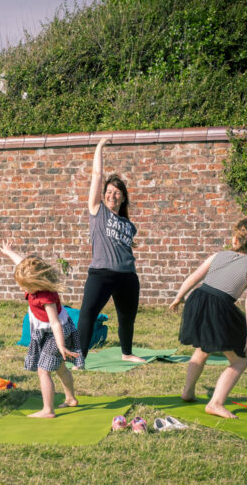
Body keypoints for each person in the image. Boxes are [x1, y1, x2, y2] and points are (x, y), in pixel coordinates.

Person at [169, 217, 247, 418]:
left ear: (236, 240)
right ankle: (216, 403)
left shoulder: (218, 255)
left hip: (198, 299)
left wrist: (179, 297)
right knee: (240, 362)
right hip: (217, 307)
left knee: (202, 349)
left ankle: (188, 391)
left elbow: (195, 276)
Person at [0, 241, 83, 417]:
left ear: (37, 283)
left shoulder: (46, 297)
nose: (22, 289)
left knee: (43, 370)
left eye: (25, 286)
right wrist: (10, 252)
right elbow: (22, 264)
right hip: (47, 332)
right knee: (59, 367)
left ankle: (48, 410)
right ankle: (70, 399)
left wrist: (61, 346)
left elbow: (55, 323)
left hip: (57, 334)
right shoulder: (32, 279)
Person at [77, 136, 142, 364]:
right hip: (101, 274)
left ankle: (126, 353)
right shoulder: (97, 211)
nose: (112, 195)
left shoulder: (129, 225)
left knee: (127, 318)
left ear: (123, 198)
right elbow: (96, 176)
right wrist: (99, 147)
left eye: (117, 192)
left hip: (127, 276)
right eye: (109, 191)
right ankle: (80, 359)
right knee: (87, 314)